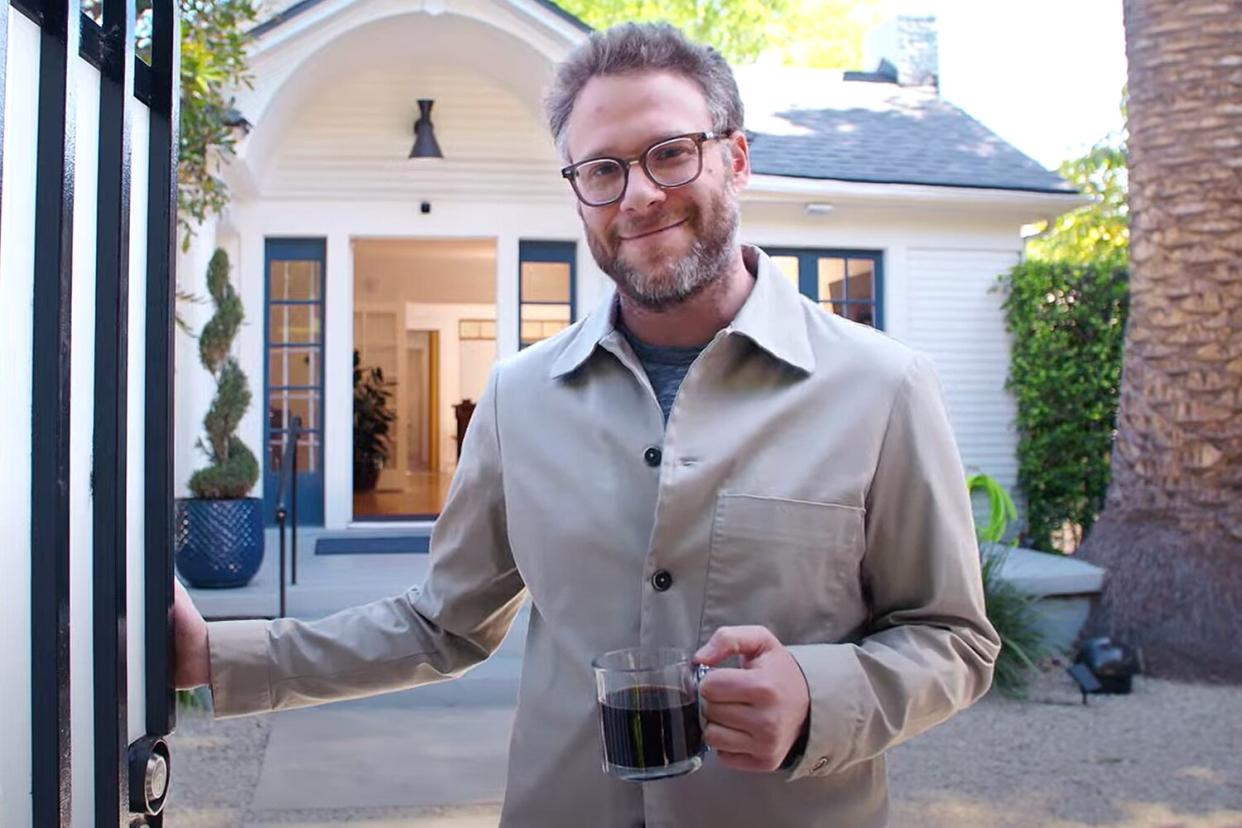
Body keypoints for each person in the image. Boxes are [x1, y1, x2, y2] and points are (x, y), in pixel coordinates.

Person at [174, 22, 999, 827]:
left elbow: (952, 638)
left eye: (670, 153)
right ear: (577, 193)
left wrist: (818, 695)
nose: (638, 194)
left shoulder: (882, 387)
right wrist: (220, 653)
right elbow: (442, 624)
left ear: (735, 160)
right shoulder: (518, 397)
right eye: (602, 169)